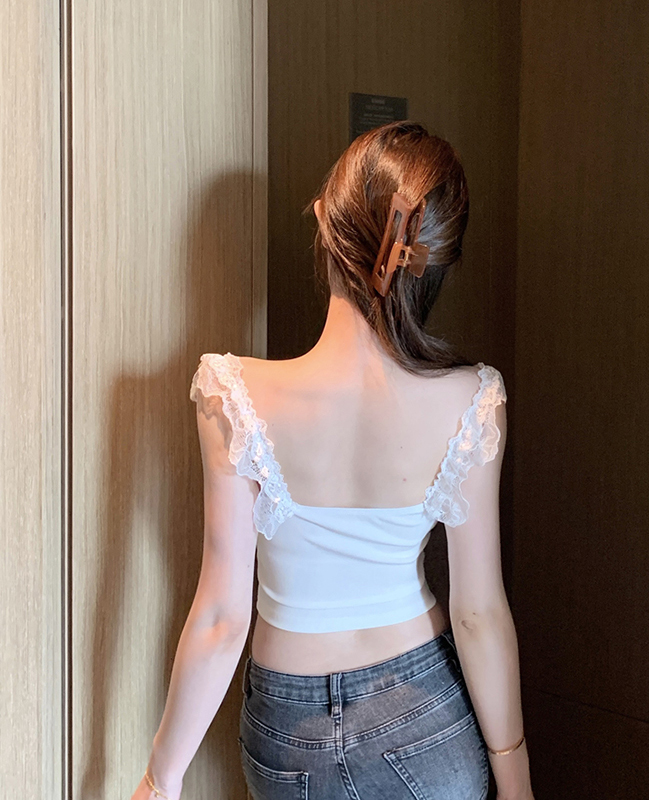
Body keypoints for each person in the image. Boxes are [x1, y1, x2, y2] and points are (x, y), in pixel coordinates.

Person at [130, 121, 534, 800]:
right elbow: (479, 614)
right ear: (434, 260)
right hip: (426, 715)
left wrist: (159, 780)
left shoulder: (231, 395)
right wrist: (516, 781)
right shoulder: (474, 401)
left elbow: (222, 618)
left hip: (289, 733)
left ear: (324, 220)